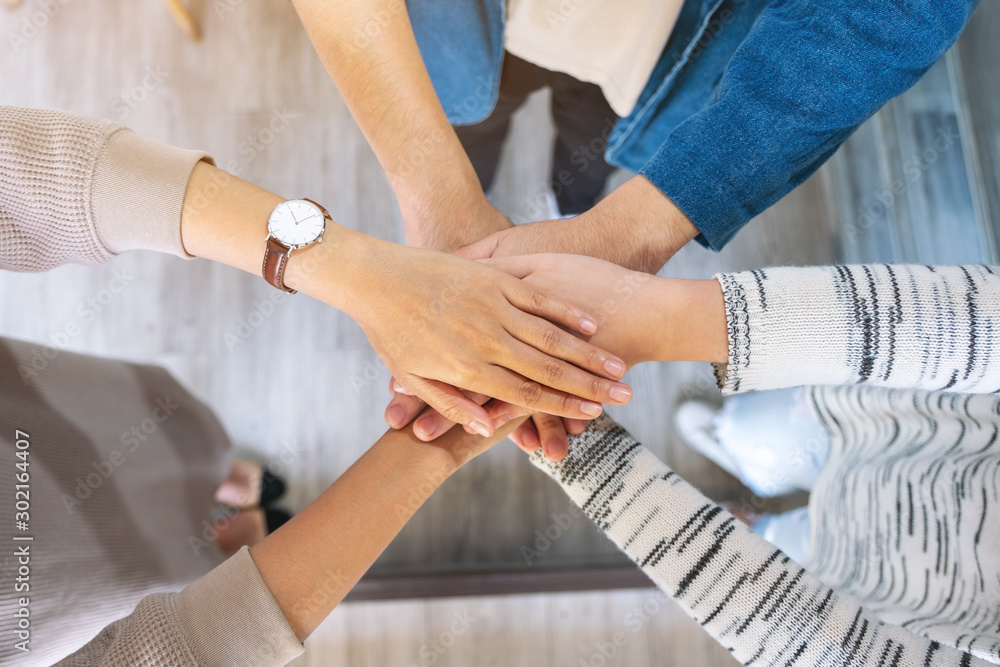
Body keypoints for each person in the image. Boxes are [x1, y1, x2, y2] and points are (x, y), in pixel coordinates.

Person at [289, 0, 979, 451]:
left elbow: (890, 11)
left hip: (675, 61)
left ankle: (570, 198)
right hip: (459, 29)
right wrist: (442, 205)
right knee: (473, 128)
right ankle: (534, 203)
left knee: (591, 155)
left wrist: (624, 234)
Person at [392, 254, 999, 665]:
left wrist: (587, 452)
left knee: (773, 541)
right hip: (893, 421)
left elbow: (832, 648)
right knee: (756, 441)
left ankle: (752, 512)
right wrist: (668, 318)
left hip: (865, 575)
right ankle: (734, 447)